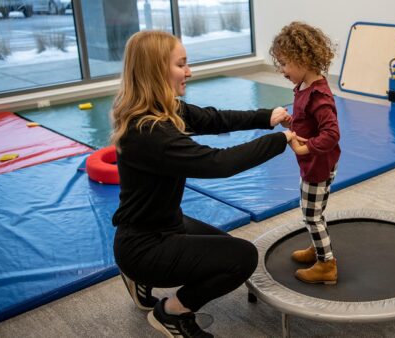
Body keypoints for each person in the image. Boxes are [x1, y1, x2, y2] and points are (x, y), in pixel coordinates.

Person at [110, 30, 294, 338]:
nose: (189, 71)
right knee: (241, 258)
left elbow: (214, 119)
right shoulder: (149, 132)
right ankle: (171, 313)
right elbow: (217, 163)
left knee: (224, 249)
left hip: (162, 224)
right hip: (143, 245)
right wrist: (280, 141)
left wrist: (266, 117)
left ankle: (139, 278)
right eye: (181, 64)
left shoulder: (163, 109)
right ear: (156, 70)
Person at [270, 22, 341, 284]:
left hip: (317, 165)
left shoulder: (319, 95)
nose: (283, 70)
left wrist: (305, 147)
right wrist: (291, 124)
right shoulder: (303, 88)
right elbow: (307, 123)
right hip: (311, 163)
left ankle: (327, 264)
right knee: (315, 212)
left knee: (311, 215)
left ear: (303, 59)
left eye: (286, 63)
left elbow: (332, 134)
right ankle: (318, 246)